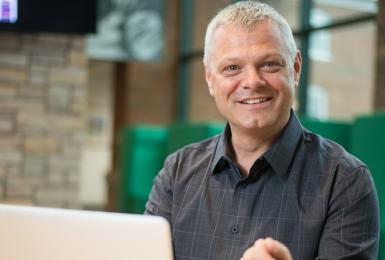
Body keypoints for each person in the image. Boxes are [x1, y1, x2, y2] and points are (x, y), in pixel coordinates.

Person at [145, 1, 380, 259]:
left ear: (296, 68)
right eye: (232, 68)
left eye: (269, 64)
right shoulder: (176, 173)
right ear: (210, 79)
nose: (252, 82)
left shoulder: (344, 181)